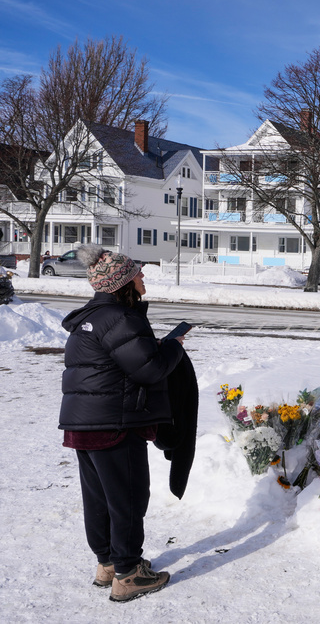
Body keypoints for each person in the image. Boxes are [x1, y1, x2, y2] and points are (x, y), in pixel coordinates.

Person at [60, 244, 184, 602]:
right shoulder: (120, 318)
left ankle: (108, 565)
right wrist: (173, 344)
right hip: (115, 424)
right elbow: (151, 368)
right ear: (123, 282)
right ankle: (129, 574)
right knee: (128, 498)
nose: (144, 276)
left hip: (85, 424)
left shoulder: (92, 317)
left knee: (99, 498)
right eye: (137, 273)